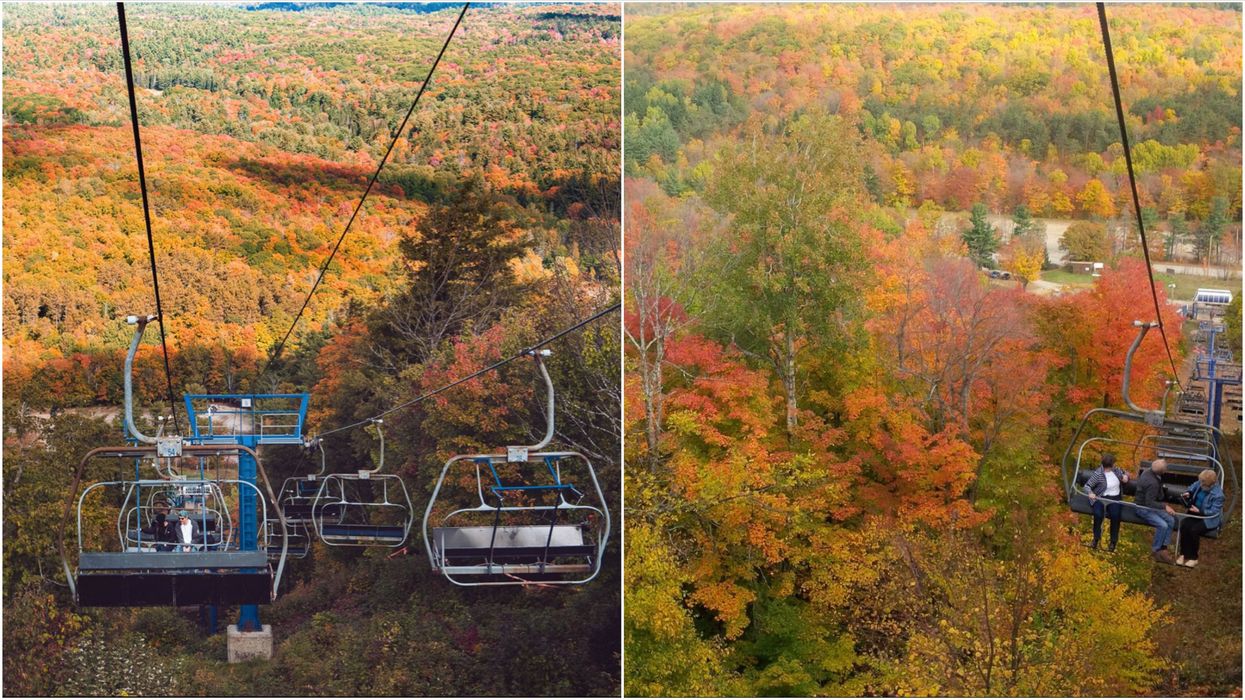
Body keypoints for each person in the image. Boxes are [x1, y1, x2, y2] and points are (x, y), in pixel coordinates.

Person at [1176, 469, 1225, 568]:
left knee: (1194, 530)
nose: (1201, 486)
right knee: (1185, 525)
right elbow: (1193, 486)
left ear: (1211, 485)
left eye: (1203, 485)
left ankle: (1193, 557)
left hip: (1208, 518)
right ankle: (1183, 553)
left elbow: (1214, 511)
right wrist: (1189, 492)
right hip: (1195, 512)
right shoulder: (1201, 482)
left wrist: (1200, 512)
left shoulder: (1218, 495)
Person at [1133, 459, 1177, 563]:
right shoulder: (1152, 483)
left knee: (1171, 520)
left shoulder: (1148, 471)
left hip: (1148, 505)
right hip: (1142, 508)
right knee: (1163, 525)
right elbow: (1149, 503)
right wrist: (1165, 506)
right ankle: (1156, 549)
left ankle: (1163, 547)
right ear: (1161, 471)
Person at [1084, 453, 1128, 551]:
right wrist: (1090, 493)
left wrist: (1125, 477)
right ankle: (1096, 538)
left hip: (1115, 498)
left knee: (1115, 516)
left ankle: (1113, 542)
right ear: (1111, 465)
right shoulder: (1098, 474)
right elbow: (1087, 486)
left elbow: (1125, 473)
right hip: (1101, 497)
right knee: (1098, 514)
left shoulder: (1117, 471)